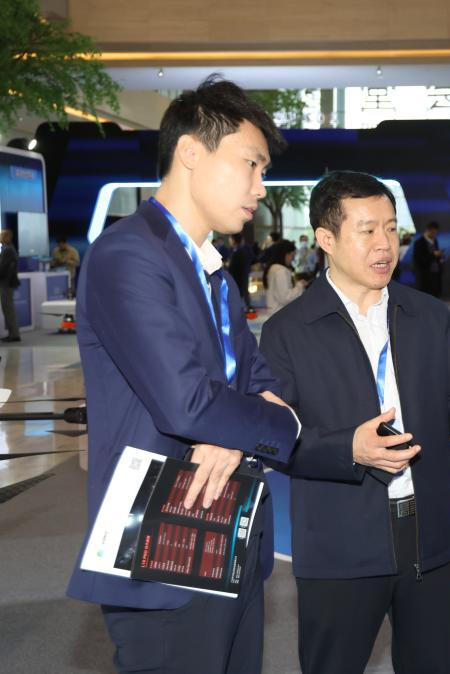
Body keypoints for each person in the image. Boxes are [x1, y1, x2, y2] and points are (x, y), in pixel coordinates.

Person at [259, 171, 450, 674]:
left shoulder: (427, 316)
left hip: (429, 535)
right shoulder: (288, 332)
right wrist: (348, 449)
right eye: (367, 230)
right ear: (326, 239)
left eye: (391, 229)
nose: (385, 244)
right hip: (341, 542)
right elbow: (277, 437)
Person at [66, 76, 300, 674]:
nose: (259, 186)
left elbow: (262, 381)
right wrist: (260, 424)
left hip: (229, 536)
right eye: (250, 164)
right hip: (162, 548)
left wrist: (242, 429)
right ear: (192, 152)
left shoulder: (214, 273)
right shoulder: (128, 256)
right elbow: (187, 404)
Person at [264, 238, 305, 316]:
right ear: (285, 254)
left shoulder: (273, 268)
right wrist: (300, 286)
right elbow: (285, 298)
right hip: (280, 313)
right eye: (292, 256)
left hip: (274, 312)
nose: (292, 259)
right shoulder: (281, 271)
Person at [412, 221, 444, 297]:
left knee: (435, 294)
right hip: (425, 275)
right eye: (433, 232)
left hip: (436, 273)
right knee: (425, 295)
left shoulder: (435, 241)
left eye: (436, 233)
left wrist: (440, 257)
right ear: (428, 230)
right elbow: (419, 259)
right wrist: (433, 255)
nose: (435, 235)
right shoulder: (419, 243)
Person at [0, 230, 20, 342]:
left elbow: (2, 267)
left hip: (6, 283)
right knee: (7, 308)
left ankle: (14, 334)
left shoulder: (7, 250)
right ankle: (12, 333)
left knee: (8, 308)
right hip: (7, 282)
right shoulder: (9, 249)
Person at [227, 232, 254, 309]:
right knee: (243, 292)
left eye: (230, 239)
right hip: (241, 276)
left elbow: (234, 267)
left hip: (238, 277)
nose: (229, 241)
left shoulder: (239, 251)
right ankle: (247, 306)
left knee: (241, 293)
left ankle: (245, 308)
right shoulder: (238, 250)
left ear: (233, 240)